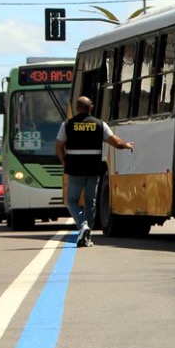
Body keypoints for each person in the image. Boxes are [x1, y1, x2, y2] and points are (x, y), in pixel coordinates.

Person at [55, 96, 134, 248]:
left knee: (71, 200)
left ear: (77, 108)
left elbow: (58, 146)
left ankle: (82, 225)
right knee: (90, 203)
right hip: (93, 169)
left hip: (75, 169)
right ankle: (88, 236)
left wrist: (64, 160)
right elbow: (116, 143)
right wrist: (127, 145)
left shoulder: (67, 125)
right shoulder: (100, 124)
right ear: (90, 107)